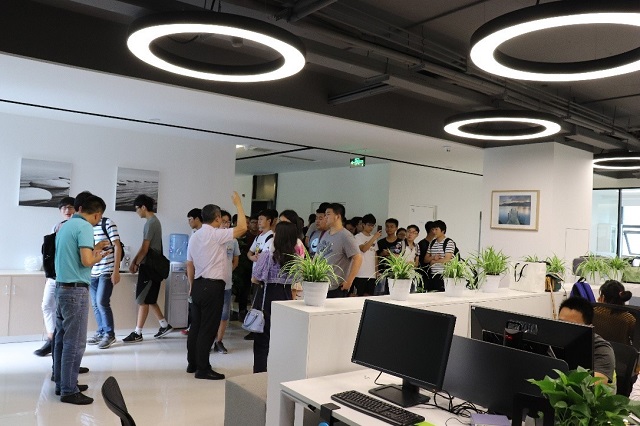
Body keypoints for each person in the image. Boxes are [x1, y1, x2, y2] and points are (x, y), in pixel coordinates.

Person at [54, 195, 110, 404]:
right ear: (97, 214)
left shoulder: (65, 226)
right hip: (75, 291)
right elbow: (86, 261)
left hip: (61, 288)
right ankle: (69, 390)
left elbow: (74, 258)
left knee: (61, 340)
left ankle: (62, 384)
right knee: (75, 343)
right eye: (100, 217)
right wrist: (100, 255)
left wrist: (95, 248)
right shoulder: (85, 227)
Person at [186, 195, 247, 380]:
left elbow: (189, 263)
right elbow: (242, 228)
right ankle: (203, 369)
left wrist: (191, 286)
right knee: (208, 328)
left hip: (198, 285)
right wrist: (238, 204)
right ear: (218, 218)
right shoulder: (216, 234)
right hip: (212, 287)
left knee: (196, 327)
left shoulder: (195, 236)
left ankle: (192, 363)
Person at [123, 194, 172, 343]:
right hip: (152, 266)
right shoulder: (153, 222)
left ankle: (138, 332)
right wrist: (135, 261)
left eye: (137, 209)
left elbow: (145, 248)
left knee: (142, 299)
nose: (137, 212)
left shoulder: (151, 223)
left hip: (149, 267)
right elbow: (144, 247)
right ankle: (164, 325)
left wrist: (136, 263)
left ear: (143, 207)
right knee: (150, 299)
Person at [251, 221, 298, 372]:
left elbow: (255, 278)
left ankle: (259, 373)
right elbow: (297, 282)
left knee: (262, 340)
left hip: (267, 298)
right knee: (281, 339)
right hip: (286, 300)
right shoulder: (296, 259)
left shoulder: (268, 255)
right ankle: (279, 372)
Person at [35, 197, 75, 357]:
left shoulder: (80, 228)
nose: (67, 211)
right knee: (46, 305)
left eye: (70, 207)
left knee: (65, 312)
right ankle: (52, 339)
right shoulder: (56, 227)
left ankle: (62, 346)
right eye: (64, 208)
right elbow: (50, 251)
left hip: (69, 276)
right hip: (54, 274)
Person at [558, 297, 615, 389]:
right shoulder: (554, 340)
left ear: (589, 327)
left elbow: (593, 386)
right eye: (560, 323)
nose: (564, 330)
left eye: (572, 326)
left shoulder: (601, 349)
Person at [86, 213, 122, 350]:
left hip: (106, 270)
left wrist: (116, 271)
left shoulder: (107, 223)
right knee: (95, 304)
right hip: (92, 271)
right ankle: (101, 332)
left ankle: (109, 334)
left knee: (102, 302)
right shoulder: (87, 226)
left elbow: (117, 246)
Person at [316, 203, 362, 298]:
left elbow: (358, 258)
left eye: (328, 214)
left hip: (336, 288)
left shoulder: (346, 236)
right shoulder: (326, 234)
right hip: (321, 285)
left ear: (337, 216)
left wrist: (349, 281)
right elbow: (317, 255)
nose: (325, 217)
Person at [213, 210, 240, 354]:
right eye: (223, 221)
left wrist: (227, 272)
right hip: (212, 283)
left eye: (228, 222)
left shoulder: (233, 240)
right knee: (211, 315)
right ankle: (208, 340)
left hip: (227, 284)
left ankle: (219, 341)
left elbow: (235, 260)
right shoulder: (212, 239)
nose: (226, 224)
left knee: (224, 315)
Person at [182, 208, 203, 335]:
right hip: (192, 269)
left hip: (199, 273)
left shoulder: (202, 234)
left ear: (197, 219)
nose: (189, 222)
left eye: (190, 219)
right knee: (191, 300)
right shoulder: (194, 232)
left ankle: (195, 327)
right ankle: (192, 325)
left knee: (196, 301)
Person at [595, 280, 635, 346]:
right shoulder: (629, 319)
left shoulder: (593, 312)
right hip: (622, 351)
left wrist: (599, 306)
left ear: (603, 297)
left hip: (598, 348)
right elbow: (636, 340)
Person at [353, 213, 381, 296]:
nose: (371, 228)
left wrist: (377, 271)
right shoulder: (358, 237)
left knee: (369, 296)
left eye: (373, 226)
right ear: (363, 224)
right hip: (360, 273)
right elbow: (364, 249)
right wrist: (374, 237)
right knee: (359, 296)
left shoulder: (374, 238)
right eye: (369, 225)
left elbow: (375, 256)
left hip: (371, 274)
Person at [424, 220, 456, 292]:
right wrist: (433, 258)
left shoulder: (448, 242)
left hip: (444, 275)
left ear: (443, 231)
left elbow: (447, 259)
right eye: (433, 229)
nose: (434, 232)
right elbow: (425, 259)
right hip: (432, 275)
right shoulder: (432, 243)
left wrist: (434, 262)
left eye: (436, 229)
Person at [376, 218, 403, 295]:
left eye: (391, 226)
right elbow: (376, 257)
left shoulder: (400, 242)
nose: (389, 229)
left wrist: (389, 253)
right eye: (387, 226)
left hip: (395, 273)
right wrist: (382, 253)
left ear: (396, 228)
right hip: (382, 272)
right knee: (380, 295)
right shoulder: (380, 242)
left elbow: (400, 256)